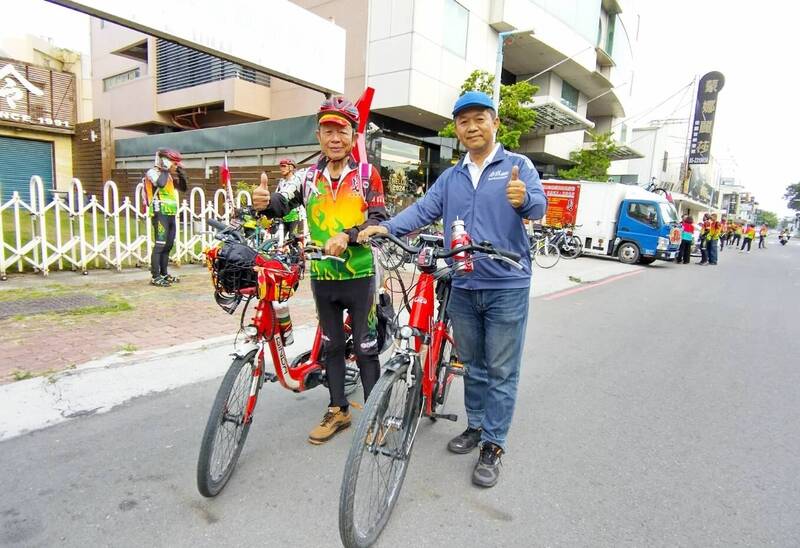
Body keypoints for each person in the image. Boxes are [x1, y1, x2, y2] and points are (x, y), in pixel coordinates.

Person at [358, 91, 547, 488]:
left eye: (480, 119)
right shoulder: (452, 177)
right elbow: (424, 210)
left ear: (495, 123)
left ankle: (494, 444)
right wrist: (387, 227)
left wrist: (524, 198)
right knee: (473, 366)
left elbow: (538, 208)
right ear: (457, 129)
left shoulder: (518, 165)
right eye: (464, 121)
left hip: (506, 284)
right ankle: (476, 427)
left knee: (501, 369)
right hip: (462, 282)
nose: (472, 127)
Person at [252, 97, 388, 445]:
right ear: (318, 136)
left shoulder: (366, 175)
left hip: (360, 275)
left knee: (366, 346)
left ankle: (375, 418)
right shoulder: (308, 177)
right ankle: (338, 409)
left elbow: (379, 220)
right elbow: (282, 207)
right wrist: (265, 203)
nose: (334, 137)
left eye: (341, 130)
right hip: (323, 277)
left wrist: (349, 235)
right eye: (328, 130)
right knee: (331, 347)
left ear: (353, 134)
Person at [144, 148, 188, 287]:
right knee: (160, 244)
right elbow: (160, 184)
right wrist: (164, 169)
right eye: (174, 163)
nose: (176, 166)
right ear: (165, 162)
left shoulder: (168, 175)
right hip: (159, 212)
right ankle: (155, 276)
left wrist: (181, 175)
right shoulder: (152, 173)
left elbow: (183, 188)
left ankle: (164, 273)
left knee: (168, 245)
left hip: (170, 213)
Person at [276, 158, 303, 238]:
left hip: (296, 217)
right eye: (281, 166)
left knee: (295, 242)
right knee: (279, 242)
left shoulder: (297, 180)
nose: (282, 169)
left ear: (291, 168)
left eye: (284, 166)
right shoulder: (281, 182)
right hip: (284, 218)